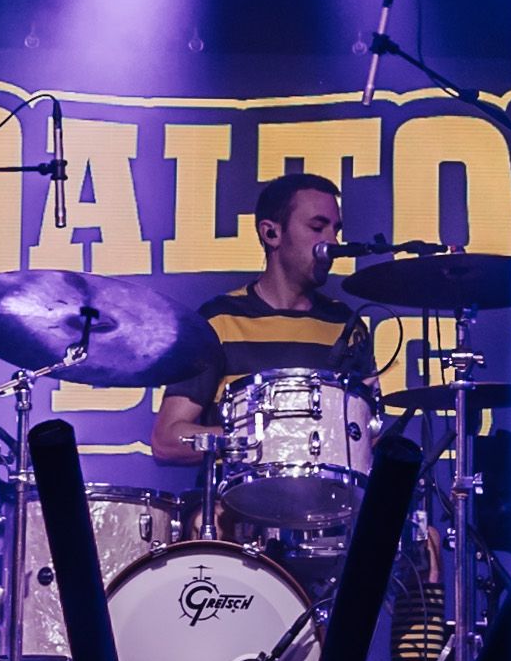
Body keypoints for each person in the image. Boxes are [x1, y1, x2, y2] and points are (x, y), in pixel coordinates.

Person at [141, 161, 375, 461]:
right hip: (239, 504)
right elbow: (167, 439)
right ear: (271, 233)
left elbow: (367, 438)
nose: (332, 241)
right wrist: (267, 440)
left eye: (335, 229)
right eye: (317, 227)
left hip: (330, 503)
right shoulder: (219, 320)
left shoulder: (346, 326)